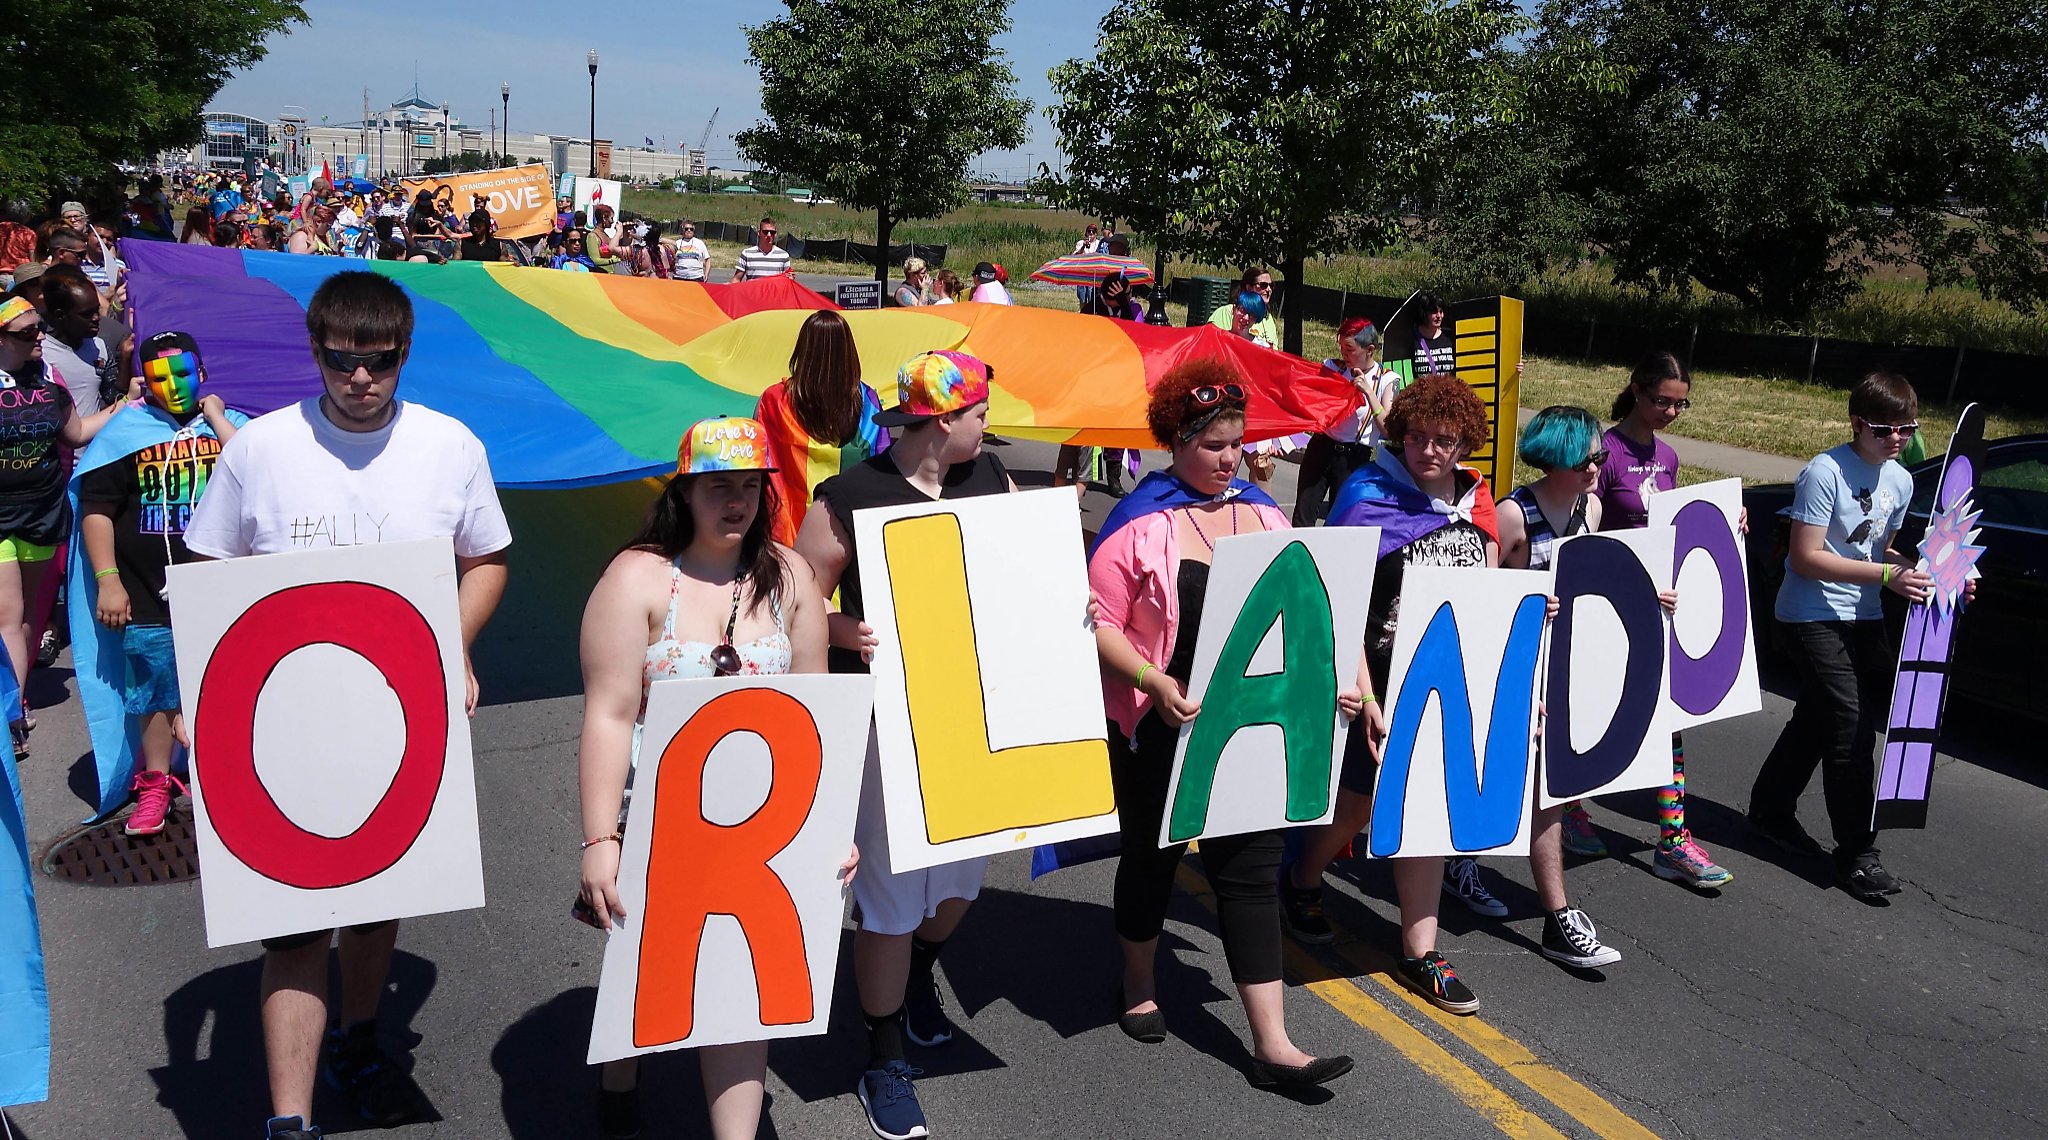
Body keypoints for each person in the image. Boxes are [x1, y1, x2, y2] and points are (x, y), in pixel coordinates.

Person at [180, 271, 512, 1140]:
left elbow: (487, 561)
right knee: (292, 928)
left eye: (378, 362)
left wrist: (454, 648)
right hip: (282, 719)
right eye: (339, 361)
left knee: (374, 901)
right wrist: (200, 699)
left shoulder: (451, 447)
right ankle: (288, 1120)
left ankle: (359, 1042)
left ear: (403, 356)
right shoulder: (260, 450)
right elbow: (211, 573)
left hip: (400, 714)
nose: (359, 379)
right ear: (316, 353)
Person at [576, 415, 850, 1140]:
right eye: (718, 487)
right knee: (653, 973)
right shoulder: (637, 578)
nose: (736, 502)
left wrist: (832, 827)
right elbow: (607, 715)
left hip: (766, 831)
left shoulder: (792, 577)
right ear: (686, 491)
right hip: (659, 824)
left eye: (750, 488)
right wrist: (601, 839)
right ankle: (621, 1069)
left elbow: (817, 710)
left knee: (738, 991)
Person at [1087, 359, 1355, 1088]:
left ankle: (1274, 1044)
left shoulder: (1265, 513)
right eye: (1213, 445)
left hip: (1247, 729)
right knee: (1153, 858)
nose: (1230, 457)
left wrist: (1339, 684)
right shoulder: (1139, 522)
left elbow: (1312, 607)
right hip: (1160, 724)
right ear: (1175, 441)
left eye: (1237, 442)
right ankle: (1138, 982)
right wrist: (1152, 679)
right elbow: (1099, 623)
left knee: (1249, 872)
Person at [794, 350, 1016, 1140]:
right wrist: (834, 623)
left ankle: (920, 978)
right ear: (943, 422)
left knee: (960, 885)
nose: (989, 428)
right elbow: (788, 595)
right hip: (887, 723)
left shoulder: (989, 479)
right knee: (891, 897)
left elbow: (1015, 577)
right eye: (980, 415)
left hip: (972, 719)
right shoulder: (849, 497)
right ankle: (881, 1056)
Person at [1281, 374, 1503, 1014]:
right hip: (1374, 680)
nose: (1429, 450)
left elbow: (1488, 594)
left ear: (1466, 442)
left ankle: (1421, 952)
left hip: (1445, 680)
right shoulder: (1367, 494)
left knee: (1425, 815)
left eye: (1445, 440)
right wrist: (1365, 693)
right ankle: (1301, 878)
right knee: (1355, 809)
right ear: (1400, 434)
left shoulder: (1477, 500)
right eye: (1418, 437)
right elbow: (1340, 599)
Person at [1748, 371, 1938, 901]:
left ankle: (1767, 811)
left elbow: (1881, 551)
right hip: (1811, 614)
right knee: (1851, 728)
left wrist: (1933, 571)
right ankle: (1857, 852)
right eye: (1884, 430)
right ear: (1857, 423)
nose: (1896, 440)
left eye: (1907, 430)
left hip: (1865, 615)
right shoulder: (1824, 472)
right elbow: (1806, 558)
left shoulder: (1899, 479)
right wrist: (1885, 576)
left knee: (1818, 716)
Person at [71, 330, 246, 834]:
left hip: (222, 586)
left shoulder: (231, 427)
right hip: (145, 588)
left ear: (203, 373)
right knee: (152, 685)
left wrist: (214, 419)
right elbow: (98, 510)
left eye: (184, 373)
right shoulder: (124, 432)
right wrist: (108, 580)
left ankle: (226, 773)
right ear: (142, 382)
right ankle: (156, 780)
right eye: (159, 377)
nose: (173, 386)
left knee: (225, 676)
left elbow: (256, 470)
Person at [1493, 405, 1635, 968]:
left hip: (1565, 671)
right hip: (1518, 673)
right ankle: (1458, 866)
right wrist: (1527, 604)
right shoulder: (1512, 516)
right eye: (1588, 459)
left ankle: (1557, 918)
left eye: (1600, 457)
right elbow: (1482, 600)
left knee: (1549, 792)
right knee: (1497, 778)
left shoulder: (1591, 507)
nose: (1599, 468)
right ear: (1554, 458)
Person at [1596, 352, 1733, 890]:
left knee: (1668, 724)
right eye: (1662, 401)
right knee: (1591, 716)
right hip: (1609, 607)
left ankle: (1673, 841)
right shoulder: (1603, 452)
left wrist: (1725, 519)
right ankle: (1573, 813)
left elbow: (1677, 524)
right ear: (1635, 391)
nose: (1671, 412)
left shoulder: (1669, 455)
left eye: (1680, 403)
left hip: (1659, 607)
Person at [0, 295, 128, 757]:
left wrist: (124, 406)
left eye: (39, 329)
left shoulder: (49, 378)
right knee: (8, 616)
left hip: (44, 509)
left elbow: (75, 433)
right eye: (25, 333)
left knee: (28, 617)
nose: (38, 338)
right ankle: (11, 717)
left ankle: (14, 694)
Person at [752, 311, 889, 546]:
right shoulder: (868, 401)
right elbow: (883, 463)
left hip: (788, 540)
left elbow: (756, 463)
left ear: (803, 349)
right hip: (850, 539)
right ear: (848, 351)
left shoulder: (775, 401)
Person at [1294, 317, 1397, 526]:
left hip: (1354, 457)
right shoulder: (1333, 368)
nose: (1344, 354)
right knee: (1302, 517)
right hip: (1322, 446)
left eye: (1349, 349)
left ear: (1369, 349)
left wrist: (1369, 393)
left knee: (1339, 521)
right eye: (1341, 347)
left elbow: (1388, 430)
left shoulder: (1387, 379)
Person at [36, 265, 114, 415]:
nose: (96, 318)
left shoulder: (99, 347)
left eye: (97, 310)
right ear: (60, 315)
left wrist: (125, 358)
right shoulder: (40, 353)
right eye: (86, 314)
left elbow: (112, 397)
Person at [1209, 267, 1278, 349]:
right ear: (1248, 287)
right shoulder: (1225, 312)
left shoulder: (1268, 318)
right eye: (1263, 285)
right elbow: (1211, 342)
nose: (1269, 289)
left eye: (1271, 285)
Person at [1412, 292, 1457, 379]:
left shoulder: (1450, 338)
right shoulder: (1412, 340)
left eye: (1441, 311)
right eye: (1434, 312)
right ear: (1424, 313)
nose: (1439, 316)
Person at [732, 217, 790, 282]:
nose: (769, 235)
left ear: (775, 234)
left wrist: (790, 278)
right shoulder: (747, 254)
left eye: (772, 232)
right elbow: (736, 279)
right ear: (759, 233)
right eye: (765, 232)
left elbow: (787, 282)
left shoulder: (784, 256)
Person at [1073, 221, 1103, 310]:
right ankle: (1082, 311)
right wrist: (1083, 247)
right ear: (1086, 233)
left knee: (1091, 296)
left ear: (1096, 234)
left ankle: (1090, 312)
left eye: (1093, 232)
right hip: (1082, 272)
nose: (1091, 233)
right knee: (1082, 297)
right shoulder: (1080, 243)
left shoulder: (1099, 243)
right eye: (1089, 231)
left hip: (1093, 273)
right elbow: (1075, 255)